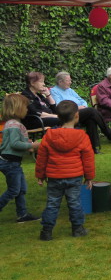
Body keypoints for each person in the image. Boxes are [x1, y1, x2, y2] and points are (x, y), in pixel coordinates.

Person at [35, 100, 95, 241]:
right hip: (74, 176)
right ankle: (78, 229)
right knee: (75, 203)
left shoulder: (49, 135)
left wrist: (40, 175)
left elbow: (42, 157)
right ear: (77, 116)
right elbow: (88, 158)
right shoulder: (82, 136)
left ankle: (46, 231)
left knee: (52, 203)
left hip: (54, 177)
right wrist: (89, 177)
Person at [50, 71, 111, 153]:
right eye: (68, 80)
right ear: (60, 82)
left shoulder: (70, 90)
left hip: (78, 113)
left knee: (91, 120)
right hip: (67, 115)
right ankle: (108, 133)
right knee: (92, 111)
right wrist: (77, 107)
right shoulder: (54, 91)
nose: (70, 82)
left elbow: (82, 100)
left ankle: (93, 148)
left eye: (70, 80)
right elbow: (60, 106)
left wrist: (83, 106)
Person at [0, 93, 40, 223]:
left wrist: (27, 144)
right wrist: (33, 145)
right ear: (18, 108)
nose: (27, 110)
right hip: (9, 162)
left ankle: (22, 215)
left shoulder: (13, 124)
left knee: (21, 189)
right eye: (25, 107)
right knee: (14, 190)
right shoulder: (14, 125)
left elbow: (15, 142)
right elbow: (14, 144)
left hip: (13, 162)